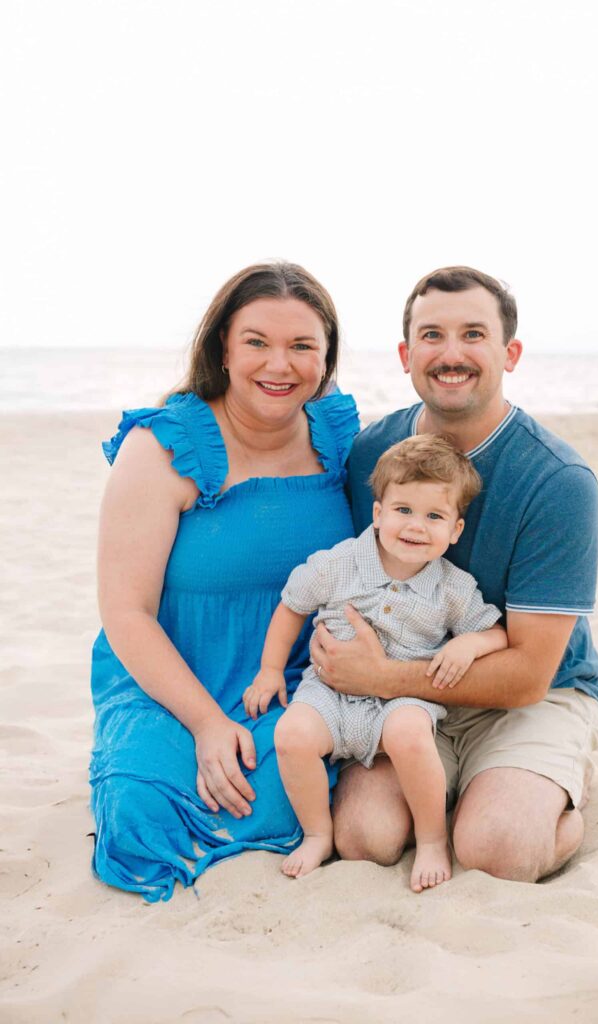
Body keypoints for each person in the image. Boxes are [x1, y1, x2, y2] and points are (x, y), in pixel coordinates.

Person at [311, 266, 598, 884]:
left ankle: (556, 796)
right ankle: (468, 789)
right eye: (432, 335)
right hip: (407, 692)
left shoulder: (557, 481)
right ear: (406, 353)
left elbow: (528, 675)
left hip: (531, 695)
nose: (451, 354)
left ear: (509, 352)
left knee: (496, 850)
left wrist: (381, 675)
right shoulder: (371, 453)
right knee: (365, 839)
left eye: (474, 334)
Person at [90, 262, 359, 901]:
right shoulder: (165, 446)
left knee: (281, 798)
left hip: (291, 685)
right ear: (224, 349)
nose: (280, 364)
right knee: (140, 824)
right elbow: (125, 612)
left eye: (302, 346)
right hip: (170, 681)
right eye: (257, 342)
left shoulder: (340, 437)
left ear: (325, 359)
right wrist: (209, 724)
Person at [243, 435, 506, 891]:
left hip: (403, 696)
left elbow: (495, 631)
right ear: (378, 513)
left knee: (409, 733)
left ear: (455, 531)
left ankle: (430, 841)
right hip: (330, 690)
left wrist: (469, 645)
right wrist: (270, 669)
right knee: (292, 734)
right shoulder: (337, 564)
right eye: (403, 510)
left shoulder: (453, 588)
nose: (416, 526)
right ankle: (318, 834)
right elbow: (293, 604)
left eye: (434, 516)